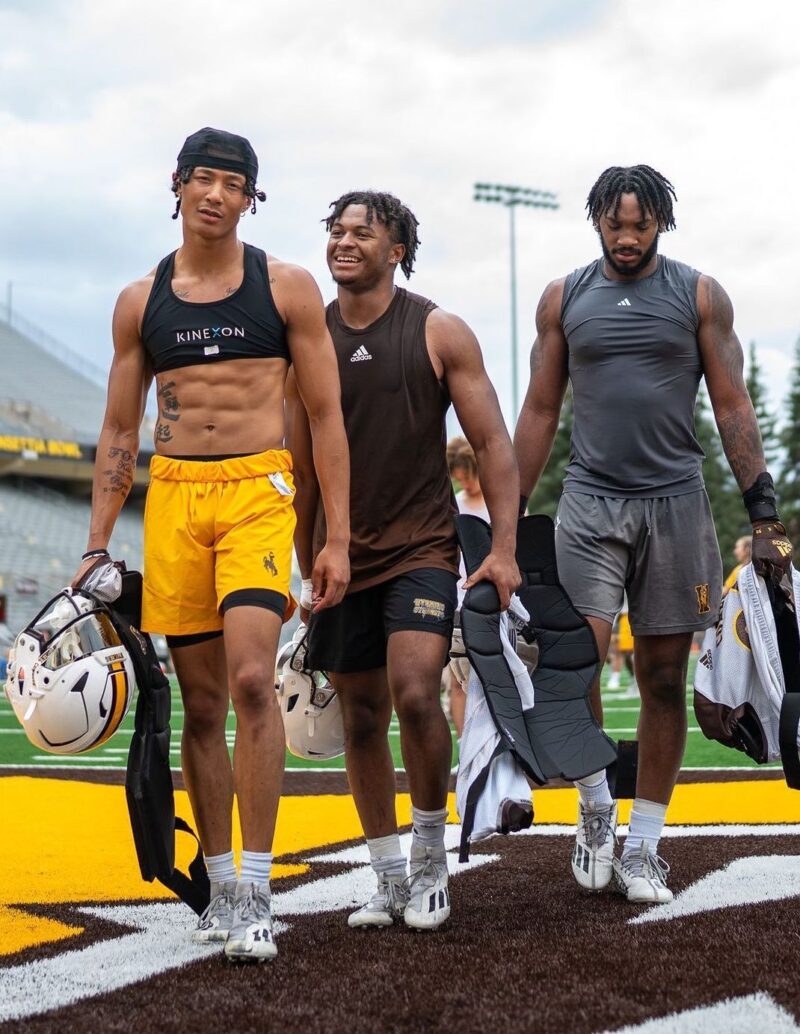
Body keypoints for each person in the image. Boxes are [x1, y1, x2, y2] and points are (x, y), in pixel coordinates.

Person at [73, 128, 350, 960]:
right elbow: (121, 428)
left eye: (234, 184)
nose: (217, 195)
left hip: (258, 494)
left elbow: (328, 416)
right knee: (200, 705)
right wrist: (94, 546)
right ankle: (223, 883)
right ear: (179, 185)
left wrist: (334, 538)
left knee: (250, 683)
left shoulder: (287, 286)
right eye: (204, 179)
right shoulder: (139, 300)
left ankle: (260, 889)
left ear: (251, 199)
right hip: (175, 499)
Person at [514, 164, 793, 905]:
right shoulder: (563, 297)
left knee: (663, 677)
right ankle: (597, 813)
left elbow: (732, 405)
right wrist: (505, 514)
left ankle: (644, 845)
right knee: (577, 661)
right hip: (591, 501)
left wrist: (766, 517)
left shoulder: (699, 294)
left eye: (641, 225)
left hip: (675, 502)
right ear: (596, 222)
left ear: (660, 224)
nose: (628, 236)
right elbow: (540, 410)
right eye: (616, 224)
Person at [292, 190, 520, 931]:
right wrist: (303, 563)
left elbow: (492, 446)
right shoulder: (306, 333)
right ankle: (386, 874)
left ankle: (429, 863)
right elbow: (295, 461)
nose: (344, 241)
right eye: (336, 229)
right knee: (359, 716)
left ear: (397, 250)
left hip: (422, 547)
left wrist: (506, 549)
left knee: (418, 692)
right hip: (337, 556)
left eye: (363, 231)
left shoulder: (438, 330)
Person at [445, 436, 490, 736]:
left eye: (468, 476)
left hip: (493, 603)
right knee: (457, 681)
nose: (465, 483)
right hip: (458, 602)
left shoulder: (498, 503)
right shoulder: (455, 505)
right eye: (458, 478)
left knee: (492, 679)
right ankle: (466, 748)